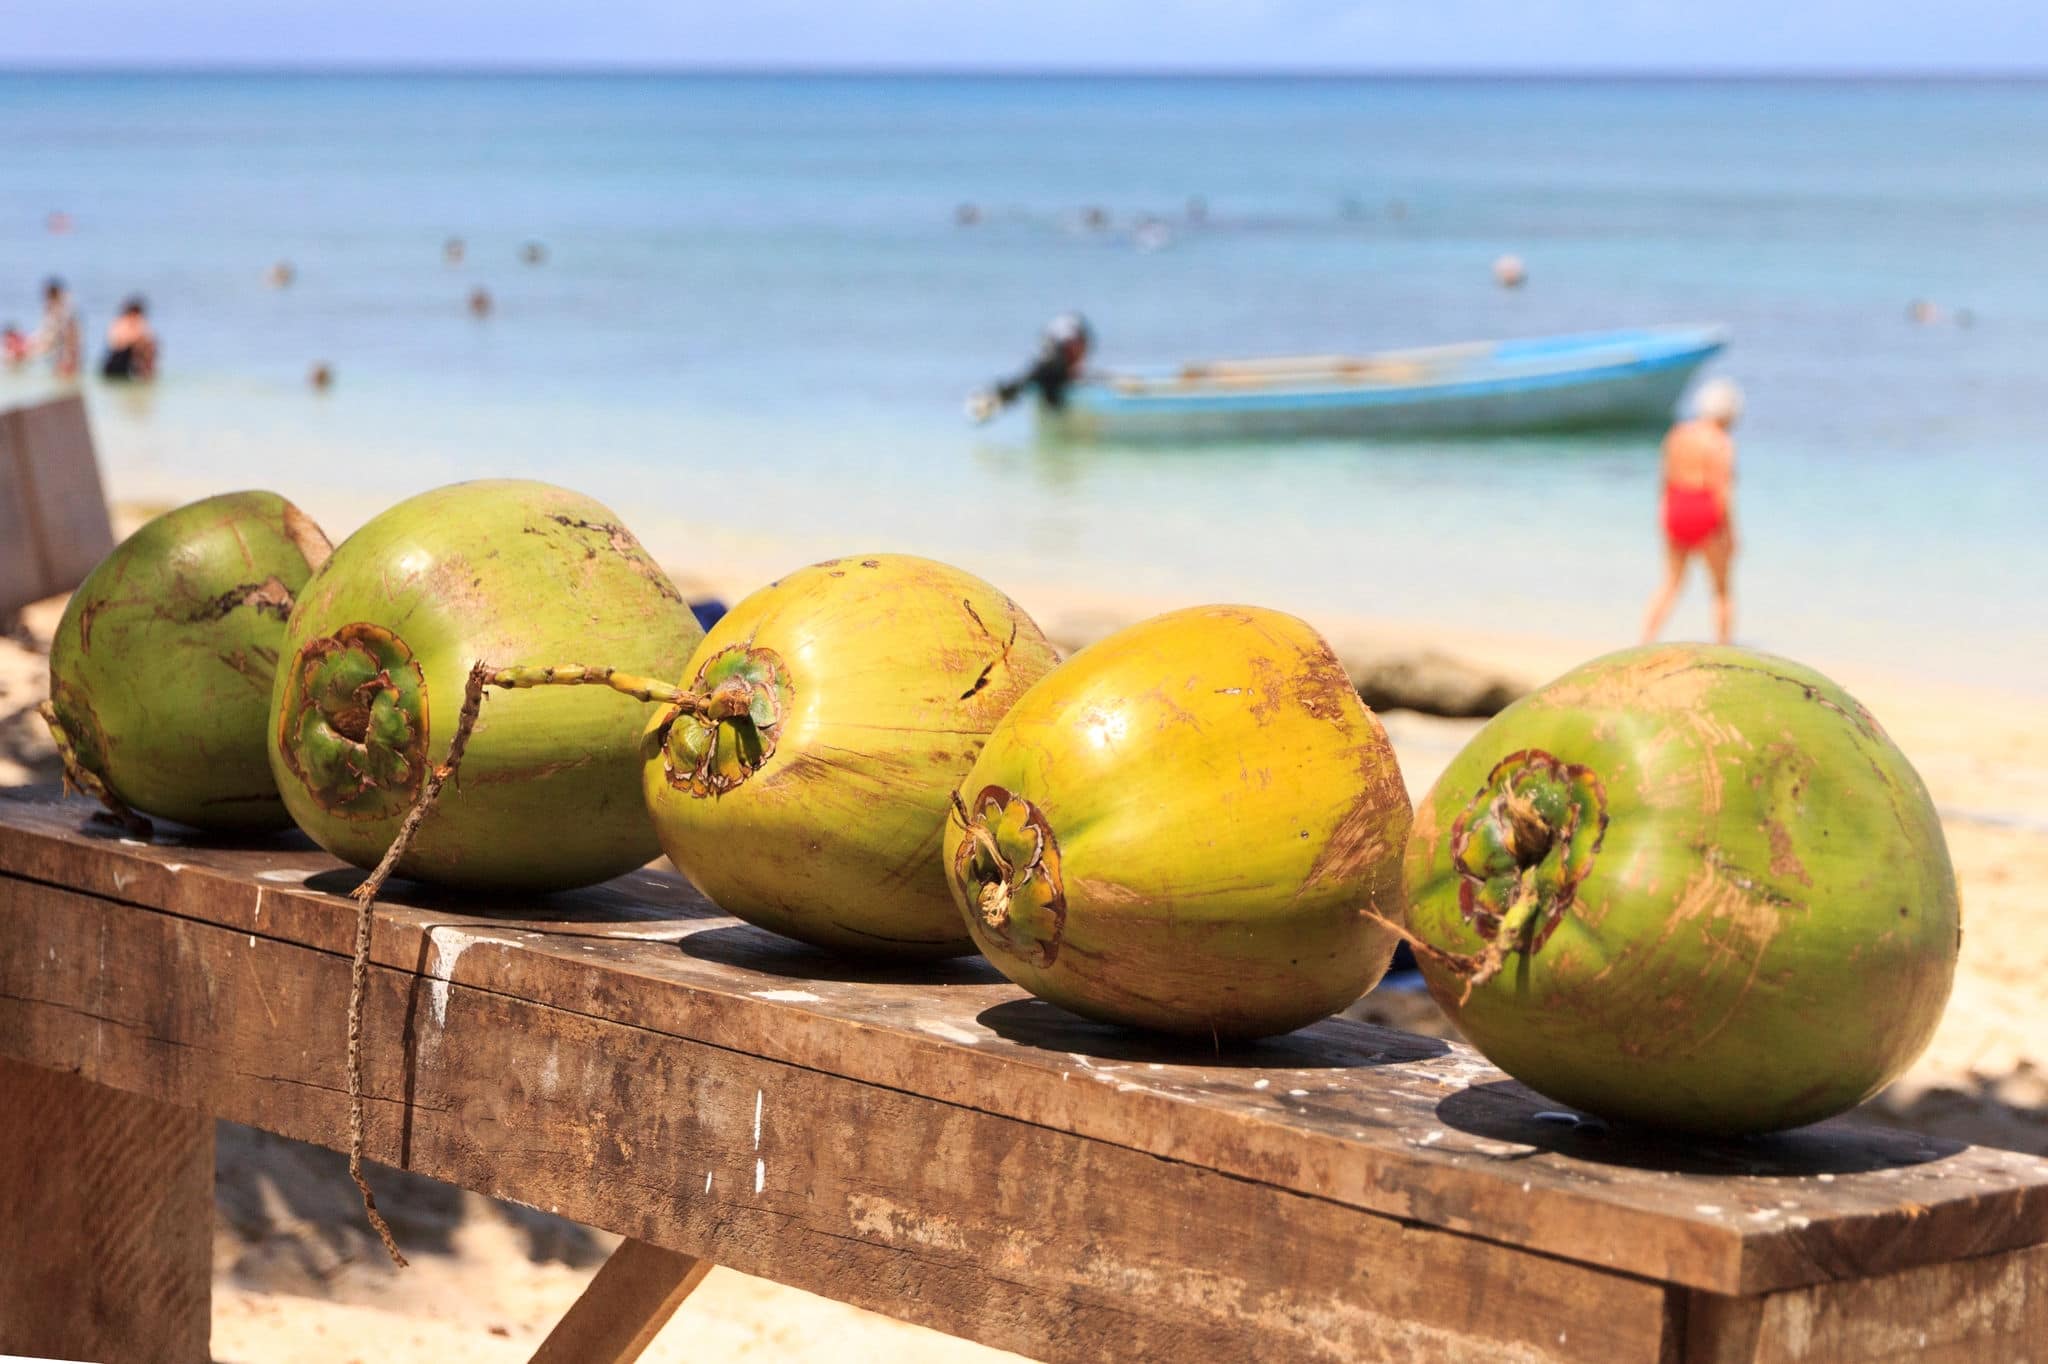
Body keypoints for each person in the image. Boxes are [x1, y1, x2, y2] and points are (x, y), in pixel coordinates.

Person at [1641, 379, 1743, 645]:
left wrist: (1663, 514)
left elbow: (1665, 479)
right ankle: (1724, 647)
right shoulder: (1721, 442)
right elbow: (1723, 490)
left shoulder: (1678, 434)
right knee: (1721, 589)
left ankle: (1646, 639)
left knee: (1671, 583)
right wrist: (1731, 532)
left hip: (1676, 505)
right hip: (1705, 508)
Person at [967, 313, 1092, 423]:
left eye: (1079, 346)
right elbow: (1022, 382)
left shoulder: (1050, 363)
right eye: (1070, 347)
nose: (1077, 352)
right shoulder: (1045, 367)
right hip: (1044, 384)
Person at [28, 278, 81, 380]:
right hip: (58, 354)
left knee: (63, 383)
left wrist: (69, 358)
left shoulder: (65, 310)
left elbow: (70, 335)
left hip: (64, 355)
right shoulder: (57, 309)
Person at [101, 297, 158, 380]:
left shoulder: (141, 325)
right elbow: (115, 343)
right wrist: (133, 341)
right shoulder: (121, 324)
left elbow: (151, 340)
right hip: (116, 362)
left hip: (129, 365)